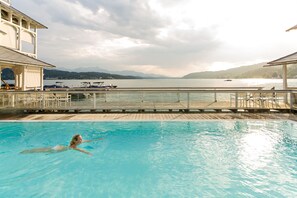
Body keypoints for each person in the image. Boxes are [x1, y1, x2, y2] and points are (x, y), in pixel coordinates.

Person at [20, 134, 102, 155]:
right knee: (38, 151)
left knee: (41, 150)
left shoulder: (77, 143)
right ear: (76, 141)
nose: (82, 140)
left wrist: (96, 139)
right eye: (80, 139)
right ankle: (26, 151)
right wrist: (88, 153)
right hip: (56, 149)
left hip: (58, 147)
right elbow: (79, 150)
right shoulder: (73, 146)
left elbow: (86, 141)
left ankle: (27, 151)